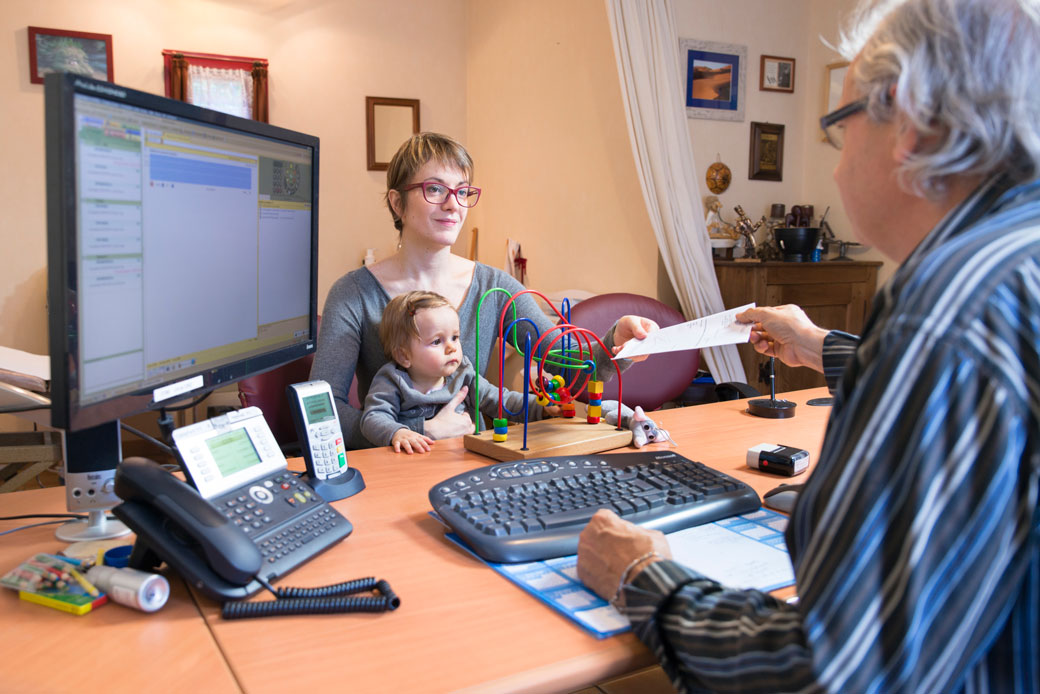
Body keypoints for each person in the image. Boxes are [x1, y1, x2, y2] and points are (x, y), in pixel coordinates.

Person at [576, 0, 1040, 692]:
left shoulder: (941, 313)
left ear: (906, 123)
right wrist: (826, 345)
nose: (835, 163)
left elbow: (832, 669)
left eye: (838, 129)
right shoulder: (1013, 264)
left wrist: (644, 578)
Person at [310, 132, 657, 449]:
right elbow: (320, 415)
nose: (453, 205)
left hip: (471, 465)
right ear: (397, 203)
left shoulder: (496, 288)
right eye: (434, 189)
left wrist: (617, 341)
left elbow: (573, 372)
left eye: (462, 191)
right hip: (392, 471)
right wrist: (419, 432)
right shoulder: (352, 294)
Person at [360, 291, 559, 453]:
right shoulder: (393, 380)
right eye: (437, 341)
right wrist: (398, 432)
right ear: (404, 356)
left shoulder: (463, 374)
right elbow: (372, 418)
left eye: (455, 337)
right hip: (414, 467)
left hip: (466, 460)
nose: (452, 348)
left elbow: (500, 400)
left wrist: (541, 407)